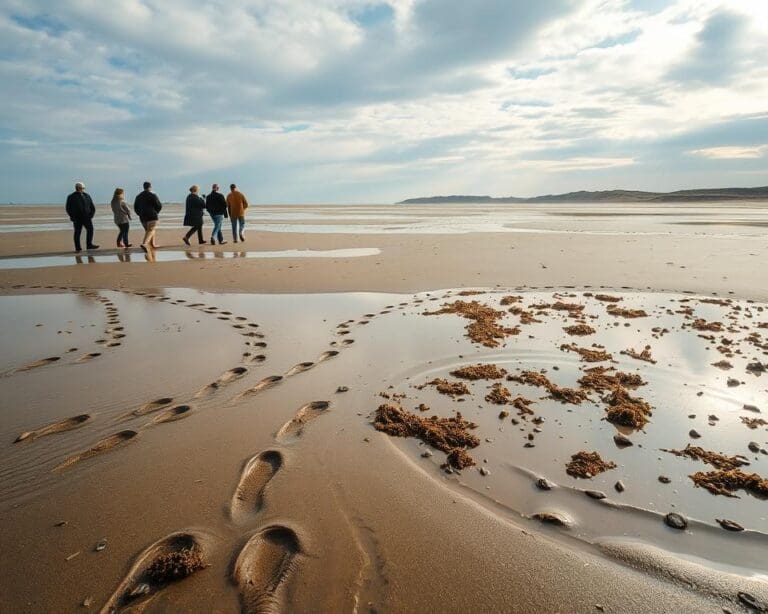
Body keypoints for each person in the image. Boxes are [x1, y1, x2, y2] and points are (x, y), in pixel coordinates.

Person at [65, 181, 99, 252]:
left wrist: (91, 215)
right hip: (77, 218)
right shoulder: (71, 196)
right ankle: (78, 248)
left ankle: (89, 245)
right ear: (77, 188)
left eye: (83, 188)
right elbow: (68, 208)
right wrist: (72, 216)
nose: (82, 189)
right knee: (77, 232)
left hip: (87, 217)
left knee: (90, 230)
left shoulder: (87, 195)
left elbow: (92, 207)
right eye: (81, 188)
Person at [133, 181, 162, 252]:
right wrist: (156, 212)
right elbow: (159, 205)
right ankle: (145, 244)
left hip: (142, 216)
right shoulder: (152, 195)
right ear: (150, 187)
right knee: (151, 230)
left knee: (149, 231)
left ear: (143, 187)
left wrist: (139, 214)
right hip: (152, 215)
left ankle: (152, 244)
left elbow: (135, 207)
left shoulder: (138, 196)